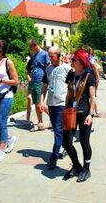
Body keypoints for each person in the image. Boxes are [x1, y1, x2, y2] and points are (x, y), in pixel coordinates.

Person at [62, 49, 96, 182]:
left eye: (74, 59)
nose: (71, 60)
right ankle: (76, 166)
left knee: (84, 141)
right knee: (66, 142)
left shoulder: (89, 76)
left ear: (81, 62)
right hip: (70, 112)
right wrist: (65, 109)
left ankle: (86, 169)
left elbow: (93, 98)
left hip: (84, 113)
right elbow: (68, 95)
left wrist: (91, 115)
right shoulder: (71, 75)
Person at [40, 46, 71, 169]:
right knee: (58, 129)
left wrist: (72, 103)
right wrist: (41, 100)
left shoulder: (67, 69)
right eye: (49, 55)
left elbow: (72, 86)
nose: (50, 58)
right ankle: (67, 146)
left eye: (52, 56)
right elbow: (45, 85)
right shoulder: (48, 69)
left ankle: (53, 157)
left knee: (57, 129)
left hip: (61, 104)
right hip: (51, 103)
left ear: (59, 56)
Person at [0, 39, 19, 162]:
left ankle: (1, 151)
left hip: (6, 96)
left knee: (1, 123)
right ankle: (10, 138)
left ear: (0, 49)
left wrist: (0, 81)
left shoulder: (8, 62)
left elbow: (16, 81)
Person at [28, 39, 50, 131]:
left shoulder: (44, 54)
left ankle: (47, 120)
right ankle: (40, 122)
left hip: (40, 80)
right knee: (36, 103)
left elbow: (48, 67)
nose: (30, 49)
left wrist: (47, 81)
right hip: (34, 80)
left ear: (35, 45)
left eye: (30, 46)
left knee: (39, 103)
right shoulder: (35, 55)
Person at [25, 55, 33, 124]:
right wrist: (29, 78)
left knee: (38, 103)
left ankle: (40, 120)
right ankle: (27, 119)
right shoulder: (31, 60)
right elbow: (27, 72)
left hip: (39, 83)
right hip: (31, 82)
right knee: (29, 99)